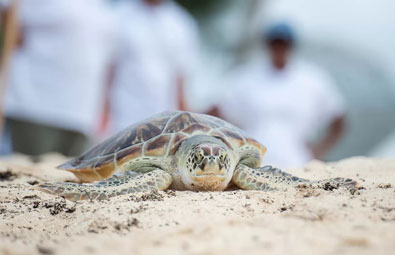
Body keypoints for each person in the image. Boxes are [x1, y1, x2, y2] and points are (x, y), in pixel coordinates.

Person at [217, 22, 346, 167]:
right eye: (275, 43)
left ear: (291, 45)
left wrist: (318, 151)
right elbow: (218, 111)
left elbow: (338, 120)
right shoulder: (246, 77)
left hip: (299, 162)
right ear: (267, 45)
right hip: (254, 164)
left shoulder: (312, 79)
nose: (279, 48)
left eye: (284, 43)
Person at [1, 0, 116, 156]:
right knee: (32, 176)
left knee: (69, 179)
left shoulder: (102, 6)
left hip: (82, 114)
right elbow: (8, 19)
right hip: (36, 108)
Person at [108, 0, 199, 133]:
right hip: (121, 116)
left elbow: (181, 81)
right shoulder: (119, 15)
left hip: (163, 121)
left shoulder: (182, 23)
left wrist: (187, 125)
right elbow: (108, 67)